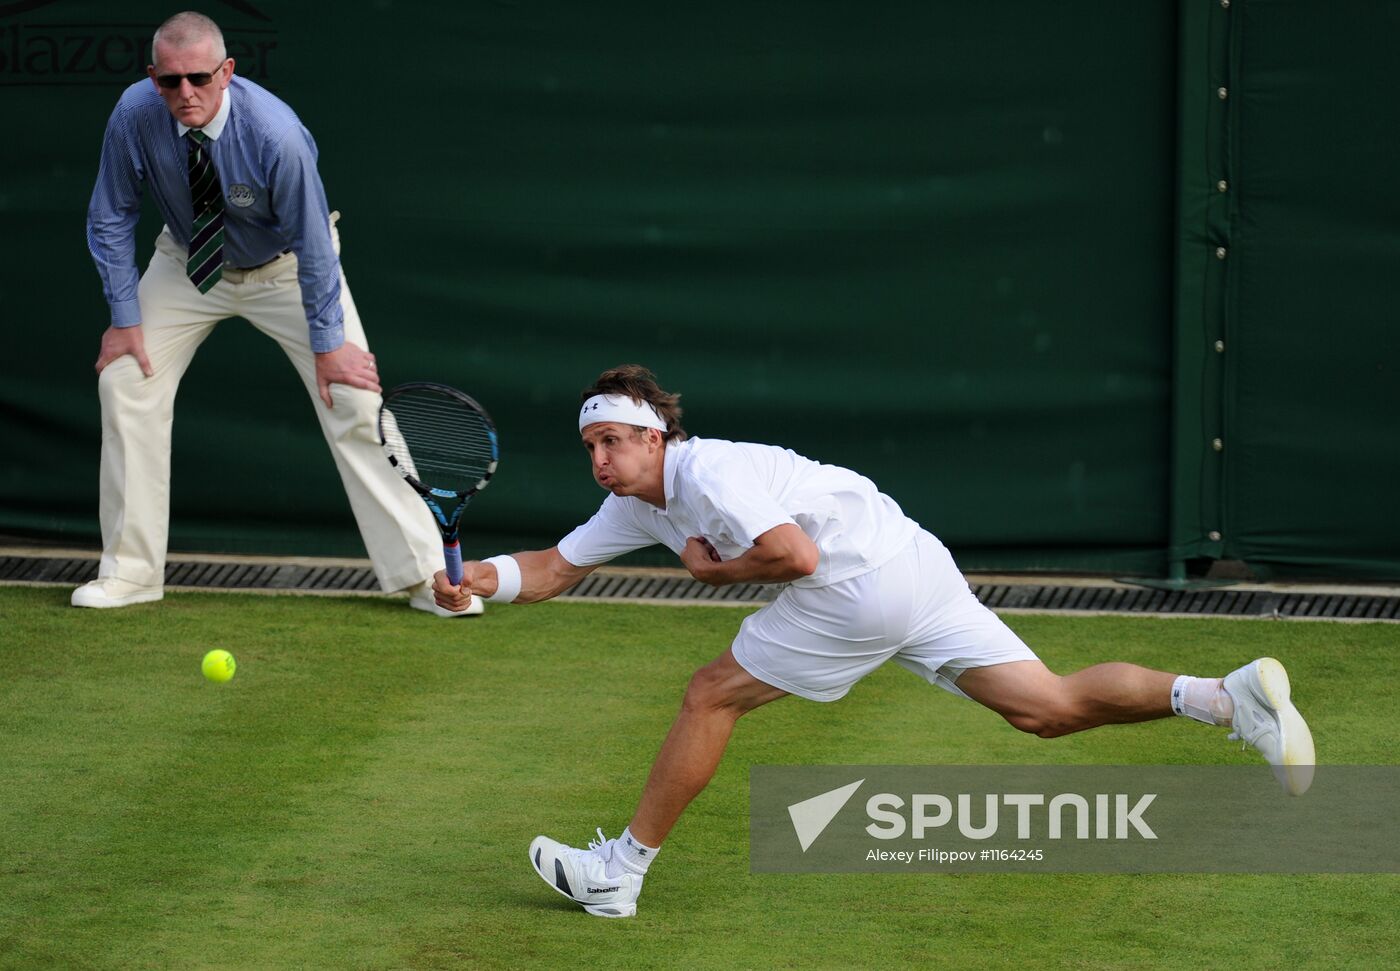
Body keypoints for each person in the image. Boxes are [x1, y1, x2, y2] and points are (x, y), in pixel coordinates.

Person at [433, 364, 1315, 918]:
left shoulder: (708, 470)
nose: (600, 459)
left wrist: (714, 574)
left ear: (655, 434)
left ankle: (620, 871)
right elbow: (554, 565)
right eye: (590, 445)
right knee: (1043, 707)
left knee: (710, 692)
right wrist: (482, 581)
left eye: (614, 441)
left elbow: (793, 554)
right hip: (911, 557)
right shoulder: (635, 500)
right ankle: (1221, 696)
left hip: (852, 582)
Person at [78, 11, 477, 617]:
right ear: (152, 76)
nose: (185, 93)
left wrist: (328, 342)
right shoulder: (135, 112)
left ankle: (429, 579)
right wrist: (124, 316)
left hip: (289, 268)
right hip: (187, 261)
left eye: (200, 79)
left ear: (227, 73)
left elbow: (314, 244)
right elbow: (110, 215)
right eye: (170, 81)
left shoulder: (276, 135)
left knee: (353, 399)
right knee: (125, 378)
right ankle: (131, 573)